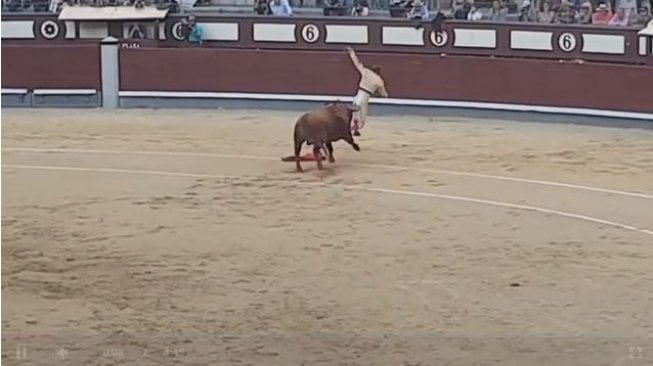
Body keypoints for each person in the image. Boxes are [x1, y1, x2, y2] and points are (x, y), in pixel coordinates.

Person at [346, 47, 389, 136]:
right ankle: (351, 130)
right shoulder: (379, 81)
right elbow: (385, 95)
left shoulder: (366, 72)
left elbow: (356, 63)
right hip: (365, 98)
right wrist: (375, 93)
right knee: (362, 120)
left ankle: (352, 130)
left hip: (357, 96)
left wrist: (352, 53)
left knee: (355, 115)